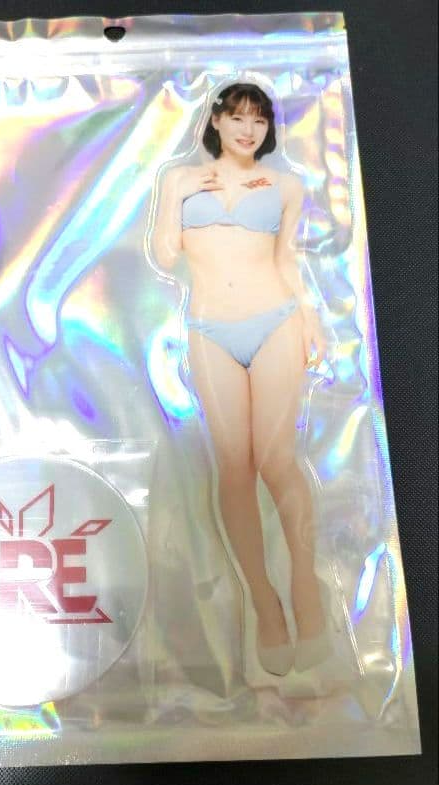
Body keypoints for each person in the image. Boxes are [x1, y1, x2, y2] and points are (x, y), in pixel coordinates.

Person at [150, 82, 331, 676]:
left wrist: (311, 322)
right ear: (216, 121)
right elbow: (164, 255)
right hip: (209, 329)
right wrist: (179, 194)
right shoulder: (181, 179)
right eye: (237, 118)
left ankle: (305, 587)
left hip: (276, 320)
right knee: (234, 466)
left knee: (277, 460)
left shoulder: (285, 186)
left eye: (259, 120)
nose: (248, 129)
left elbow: (287, 260)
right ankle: (264, 602)